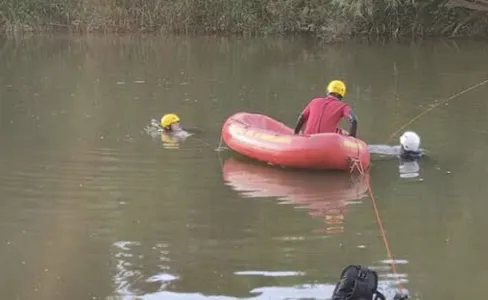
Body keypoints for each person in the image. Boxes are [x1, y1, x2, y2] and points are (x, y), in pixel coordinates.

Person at [293, 80, 358, 137]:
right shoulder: (343, 106)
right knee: (343, 133)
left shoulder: (314, 101)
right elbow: (354, 120)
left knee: (340, 131)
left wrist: (296, 134)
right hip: (326, 143)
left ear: (328, 91)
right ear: (342, 94)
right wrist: (352, 139)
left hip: (307, 141)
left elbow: (302, 117)